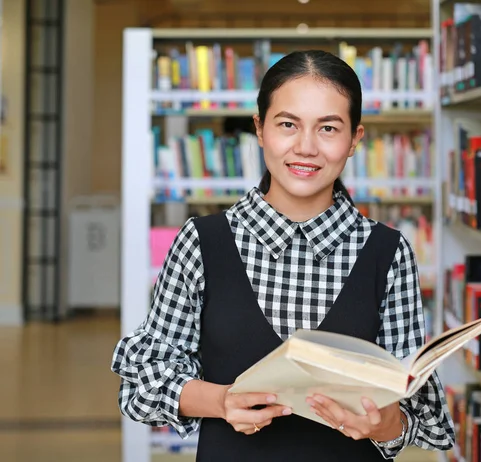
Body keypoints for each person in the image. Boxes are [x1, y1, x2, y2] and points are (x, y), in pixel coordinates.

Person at [111, 49, 455, 461]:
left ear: (355, 140)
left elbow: (427, 416)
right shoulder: (202, 243)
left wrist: (386, 426)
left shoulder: (387, 253)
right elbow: (140, 388)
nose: (306, 147)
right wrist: (221, 401)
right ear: (260, 129)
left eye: (328, 128)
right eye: (288, 124)